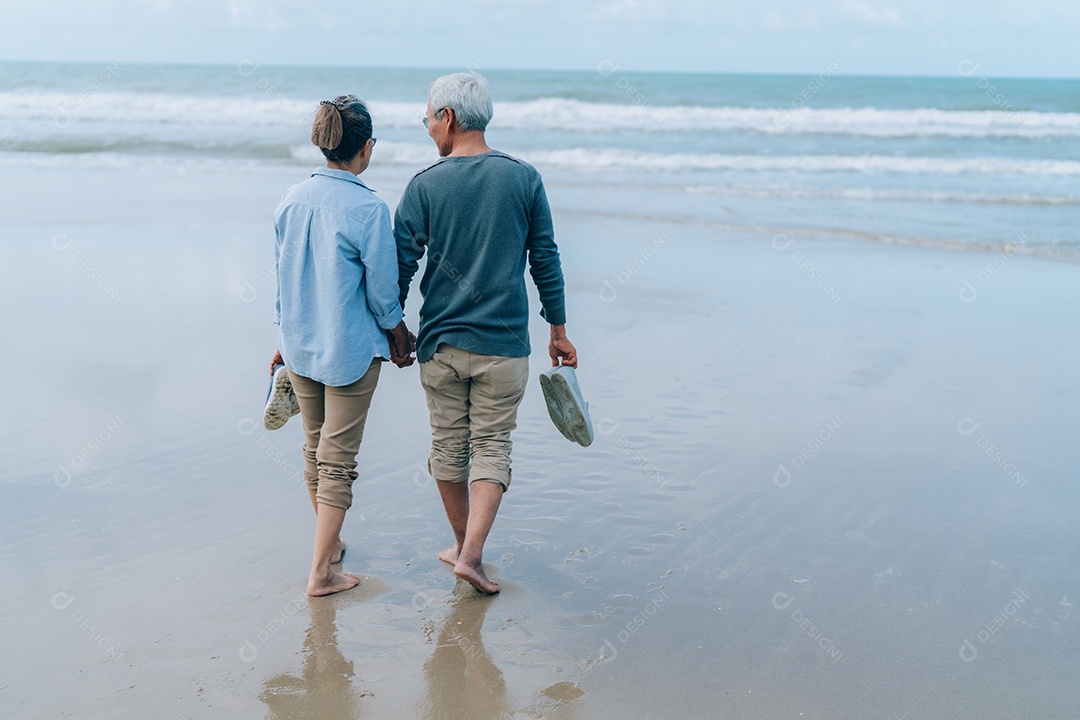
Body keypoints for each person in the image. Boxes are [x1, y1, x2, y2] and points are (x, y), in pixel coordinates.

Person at [394, 73, 578, 594]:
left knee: (448, 446)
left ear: (447, 118)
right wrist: (558, 329)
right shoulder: (523, 179)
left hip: (440, 346)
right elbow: (545, 258)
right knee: (492, 445)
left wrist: (396, 328)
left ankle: (462, 546)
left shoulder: (425, 184)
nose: (428, 129)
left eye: (428, 119)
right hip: (503, 348)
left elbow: (399, 266)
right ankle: (470, 554)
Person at [270, 95, 414, 597]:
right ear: (365, 148)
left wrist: (280, 338)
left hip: (300, 345)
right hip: (349, 351)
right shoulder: (368, 208)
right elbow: (382, 292)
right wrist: (399, 335)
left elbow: (282, 277)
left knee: (314, 447)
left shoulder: (290, 198)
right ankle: (321, 574)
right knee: (337, 461)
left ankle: (329, 548)